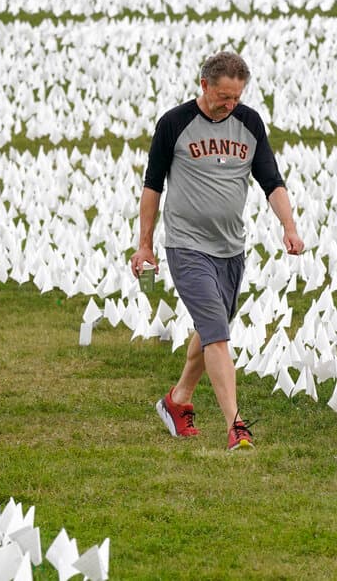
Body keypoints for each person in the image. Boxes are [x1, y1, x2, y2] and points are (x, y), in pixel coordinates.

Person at [130, 51, 304, 450]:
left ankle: (177, 401)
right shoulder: (175, 123)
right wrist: (145, 244)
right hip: (186, 246)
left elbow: (271, 181)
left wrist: (289, 227)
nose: (230, 104)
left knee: (212, 331)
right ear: (204, 85)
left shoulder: (249, 123)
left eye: (236, 97)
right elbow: (152, 186)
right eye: (223, 96)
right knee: (217, 333)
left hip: (231, 248)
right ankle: (235, 425)